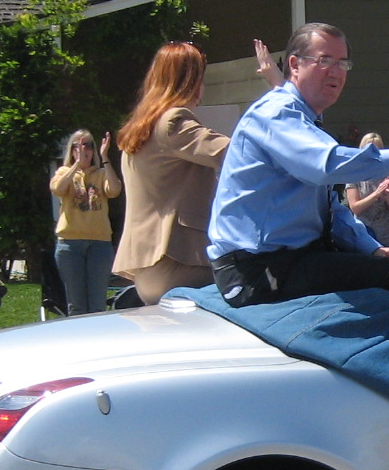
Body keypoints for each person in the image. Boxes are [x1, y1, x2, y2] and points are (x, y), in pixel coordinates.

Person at [206, 22, 389, 307]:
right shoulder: (276, 114)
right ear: (294, 64)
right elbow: (325, 166)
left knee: (380, 269)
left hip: (290, 261)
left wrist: (373, 248)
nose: (336, 71)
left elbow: (331, 211)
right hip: (254, 272)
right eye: (324, 60)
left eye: (343, 63)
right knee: (385, 278)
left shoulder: (307, 125)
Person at [115, 42, 255, 305]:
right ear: (190, 81)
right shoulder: (174, 122)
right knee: (261, 288)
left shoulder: (141, 127)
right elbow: (239, 154)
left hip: (147, 267)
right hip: (178, 262)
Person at [51, 129, 123, 316]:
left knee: (97, 305)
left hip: (99, 244)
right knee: (77, 305)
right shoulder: (64, 172)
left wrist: (105, 157)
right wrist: (76, 165)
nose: (83, 150)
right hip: (69, 244)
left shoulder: (101, 173)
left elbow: (114, 190)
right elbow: (58, 189)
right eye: (77, 145)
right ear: (71, 150)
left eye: (88, 145)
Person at [346, 132, 389, 249]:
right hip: (365, 234)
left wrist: (388, 194)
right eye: (369, 149)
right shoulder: (354, 175)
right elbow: (355, 208)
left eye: (377, 149)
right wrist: (377, 193)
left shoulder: (388, 173)